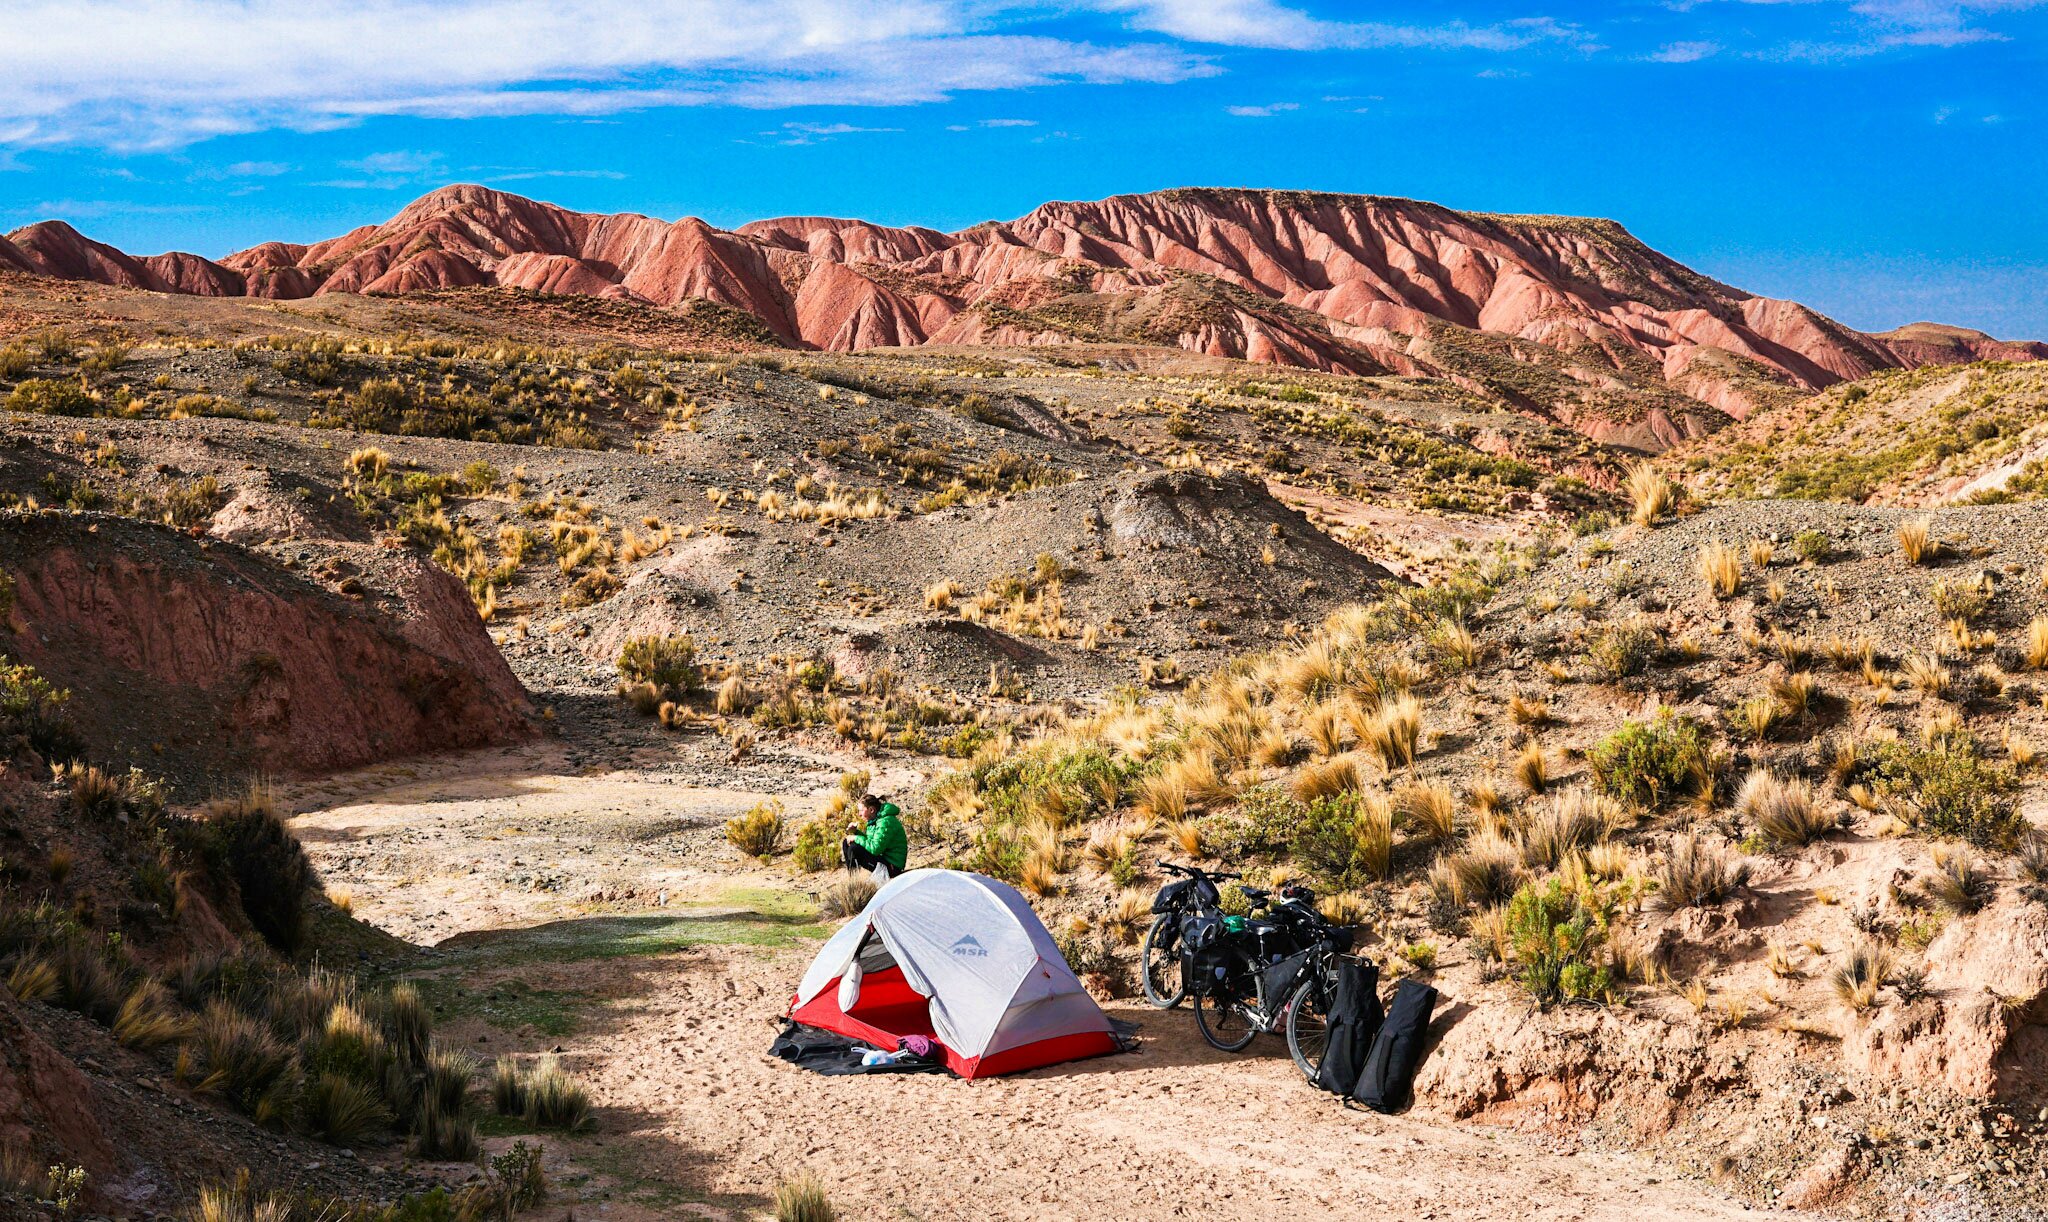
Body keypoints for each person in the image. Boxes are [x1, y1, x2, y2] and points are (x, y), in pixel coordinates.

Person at [842, 794, 908, 877]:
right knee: (847, 842)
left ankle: (855, 880)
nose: (859, 814)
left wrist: (856, 838)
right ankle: (853, 879)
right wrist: (856, 832)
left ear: (871, 810)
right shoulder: (874, 821)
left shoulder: (886, 822)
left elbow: (875, 848)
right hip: (883, 859)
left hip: (893, 867)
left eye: (861, 810)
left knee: (854, 849)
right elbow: (870, 842)